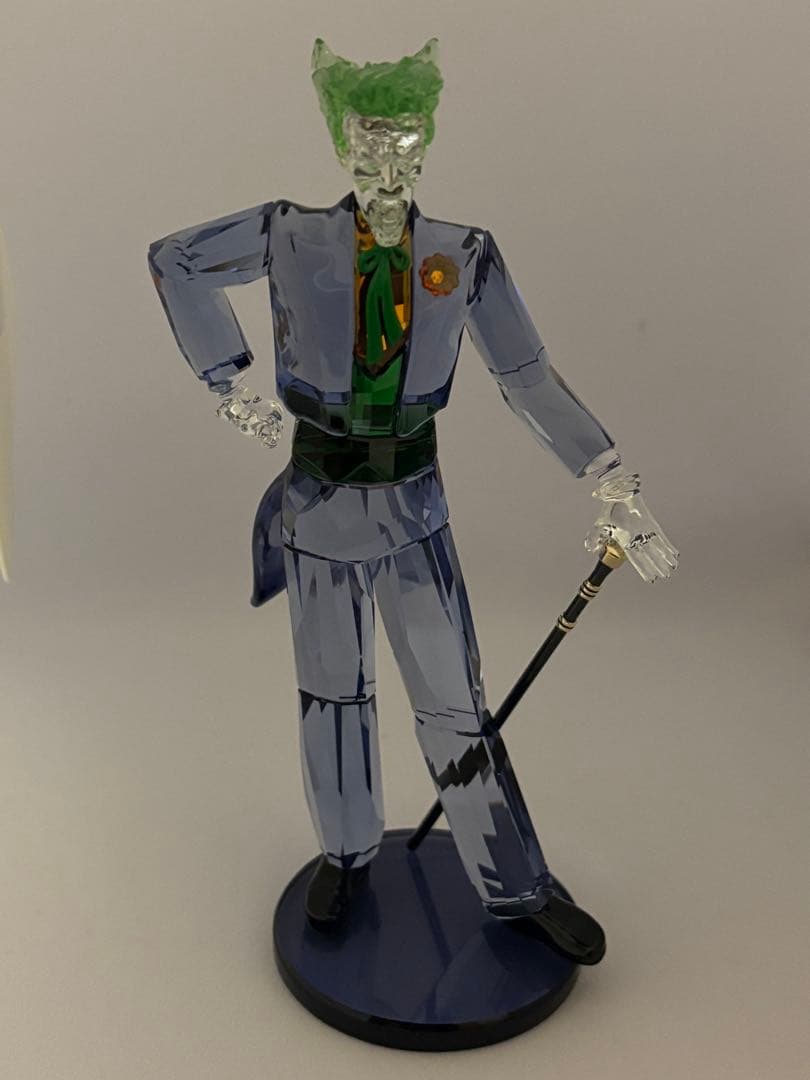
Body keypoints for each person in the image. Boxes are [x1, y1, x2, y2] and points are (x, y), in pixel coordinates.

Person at [148, 38, 678, 966]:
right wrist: (226, 381)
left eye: (403, 145)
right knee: (331, 696)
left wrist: (610, 477)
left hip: (412, 509)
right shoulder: (289, 233)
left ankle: (515, 888)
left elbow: (525, 374)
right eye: (368, 144)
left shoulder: (462, 254)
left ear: (426, 143)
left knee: (453, 701)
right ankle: (346, 853)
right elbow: (176, 259)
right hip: (317, 503)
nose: (386, 167)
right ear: (341, 144)